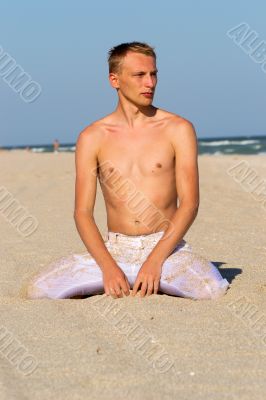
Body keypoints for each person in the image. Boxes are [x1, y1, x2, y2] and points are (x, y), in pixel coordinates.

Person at [25, 41, 229, 300]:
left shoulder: (178, 129)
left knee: (212, 290)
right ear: (115, 80)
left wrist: (155, 261)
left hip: (165, 249)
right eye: (140, 75)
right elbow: (82, 212)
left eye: (153, 74)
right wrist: (108, 267)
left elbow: (189, 204)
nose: (150, 83)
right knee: (38, 290)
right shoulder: (92, 137)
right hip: (114, 250)